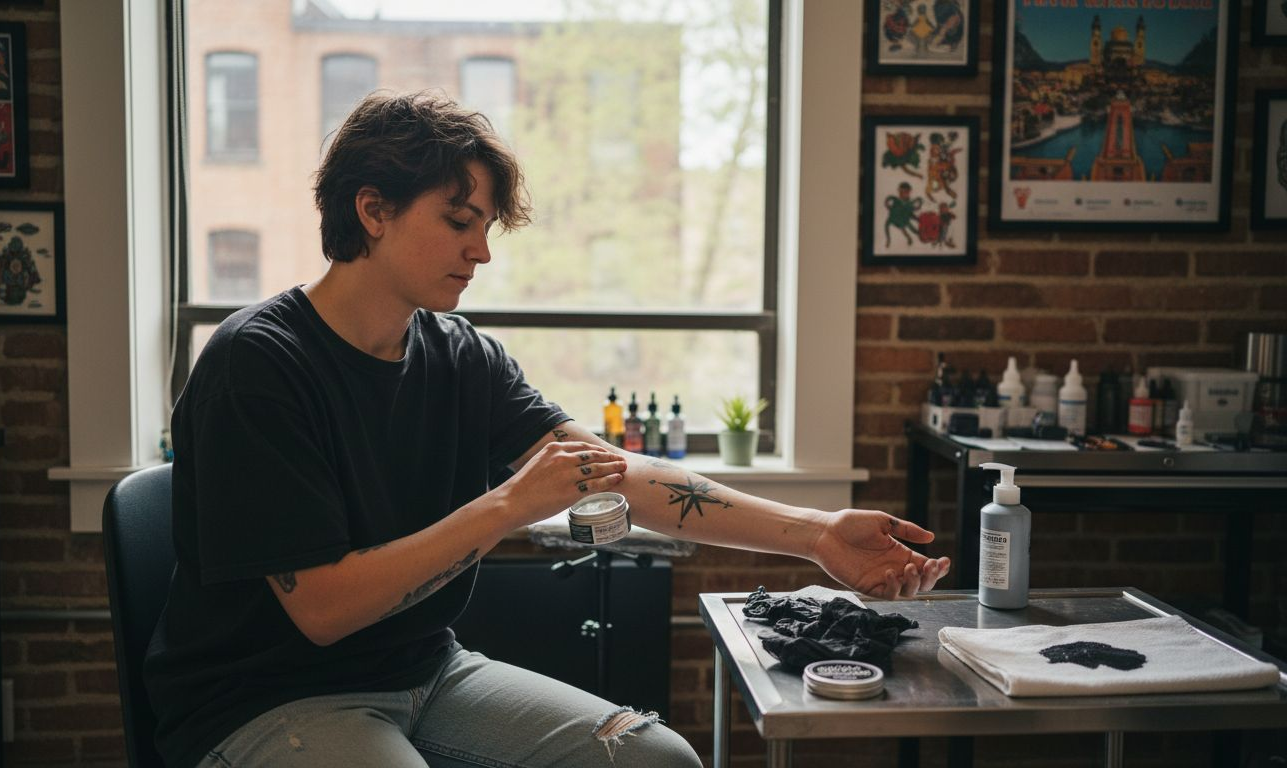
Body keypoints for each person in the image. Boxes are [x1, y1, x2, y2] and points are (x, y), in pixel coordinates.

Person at [145, 90, 951, 768]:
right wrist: (507, 506)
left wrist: (816, 534)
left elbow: (618, 476)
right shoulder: (258, 364)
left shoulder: (462, 356)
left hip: (427, 672)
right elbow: (323, 610)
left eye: (486, 227)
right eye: (459, 221)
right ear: (373, 210)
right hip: (263, 698)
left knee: (659, 760)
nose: (481, 252)